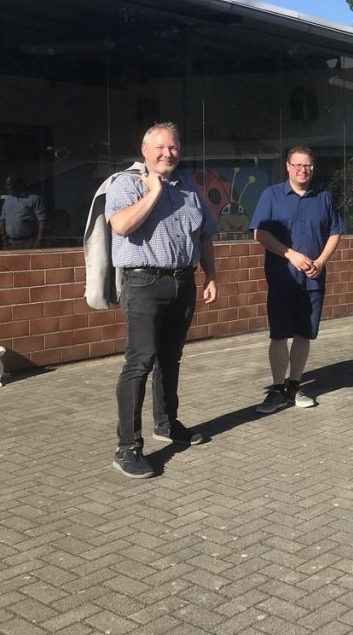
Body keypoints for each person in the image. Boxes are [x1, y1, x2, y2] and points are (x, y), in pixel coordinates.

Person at [106, 122, 218, 478]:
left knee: (171, 359)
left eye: (173, 148)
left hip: (183, 282)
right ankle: (128, 447)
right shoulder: (125, 184)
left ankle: (166, 424)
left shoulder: (189, 189)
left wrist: (211, 276)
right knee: (140, 361)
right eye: (160, 148)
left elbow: (205, 237)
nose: (167, 154)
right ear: (145, 150)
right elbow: (121, 226)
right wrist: (153, 191)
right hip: (143, 283)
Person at [249, 147, 343, 413]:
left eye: (309, 166)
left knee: (304, 334)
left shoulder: (323, 197)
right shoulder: (272, 195)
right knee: (279, 334)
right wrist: (290, 255)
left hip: (313, 280)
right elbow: (260, 233)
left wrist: (322, 261)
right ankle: (277, 389)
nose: (304, 170)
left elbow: (335, 232)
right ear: (288, 166)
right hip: (282, 279)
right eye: (299, 165)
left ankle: (294, 385)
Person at [0, 175, 48, 249]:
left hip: (29, 242)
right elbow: (2, 220)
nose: (8, 188)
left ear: (19, 184)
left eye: (10, 184)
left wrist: (39, 241)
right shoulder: (7, 200)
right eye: (7, 185)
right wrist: (3, 238)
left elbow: (42, 221)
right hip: (11, 243)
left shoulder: (34, 199)